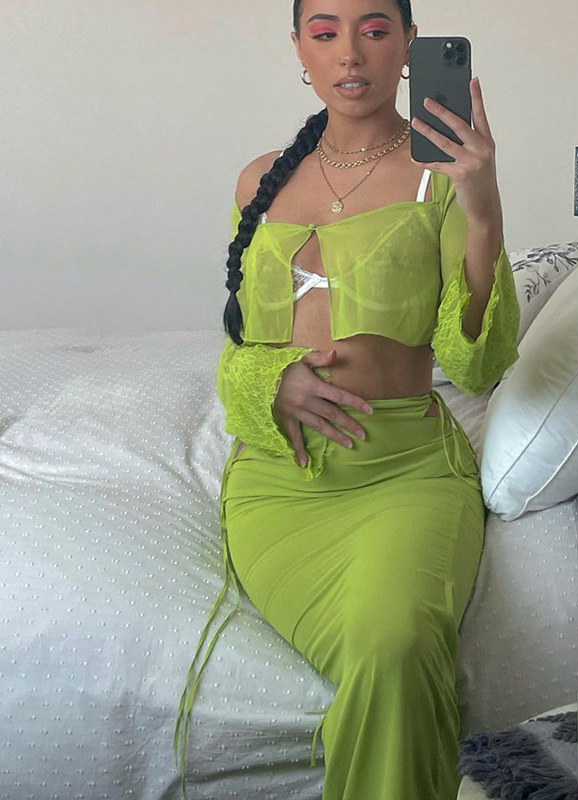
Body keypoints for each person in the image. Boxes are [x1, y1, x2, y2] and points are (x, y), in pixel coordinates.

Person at [174, 1, 520, 798]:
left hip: (402, 472)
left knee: (394, 645)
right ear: (300, 49)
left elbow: (476, 362)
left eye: (374, 29)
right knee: (382, 660)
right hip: (278, 484)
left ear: (408, 45)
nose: (350, 53)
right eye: (325, 32)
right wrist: (274, 381)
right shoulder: (259, 180)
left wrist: (484, 210)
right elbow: (236, 351)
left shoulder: (442, 178)